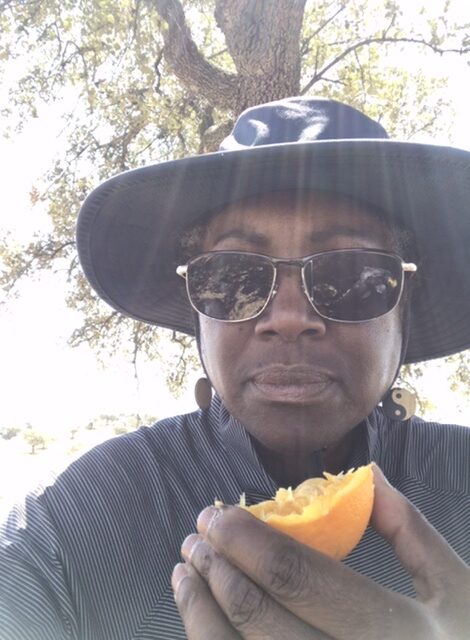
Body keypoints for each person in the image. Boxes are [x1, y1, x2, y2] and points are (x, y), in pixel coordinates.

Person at [1, 97, 470, 639]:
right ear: (196, 308)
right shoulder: (74, 525)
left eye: (352, 275)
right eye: (232, 278)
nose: (290, 319)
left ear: (403, 306)